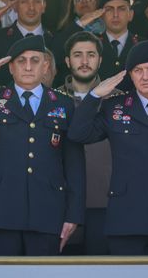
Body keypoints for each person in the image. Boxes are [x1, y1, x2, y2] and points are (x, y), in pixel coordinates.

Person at [0, 35, 85, 256]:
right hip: (0, 211)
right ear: (10, 67)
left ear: (46, 65)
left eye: (35, 60)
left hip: (47, 211)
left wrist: (74, 215)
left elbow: (74, 164)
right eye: (21, 61)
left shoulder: (64, 104)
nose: (28, 67)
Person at [68, 40, 148, 255]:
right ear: (130, 75)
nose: (145, 76)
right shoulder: (115, 107)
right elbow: (78, 134)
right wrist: (95, 96)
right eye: (137, 70)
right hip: (127, 221)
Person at [58, 31, 121, 255]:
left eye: (91, 55)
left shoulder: (119, 102)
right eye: (78, 55)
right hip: (62, 207)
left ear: (100, 60)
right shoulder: (52, 101)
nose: (84, 61)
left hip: (107, 204)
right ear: (67, 61)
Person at [51, 0, 105, 86]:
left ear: (98, 1)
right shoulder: (64, 31)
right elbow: (55, 55)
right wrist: (80, 24)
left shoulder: (108, 28)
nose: (84, 1)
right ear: (73, 7)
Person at [97, 0, 143, 91]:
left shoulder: (143, 45)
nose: (115, 15)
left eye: (121, 9)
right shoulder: (92, 44)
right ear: (101, 16)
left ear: (130, 15)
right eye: (109, 9)